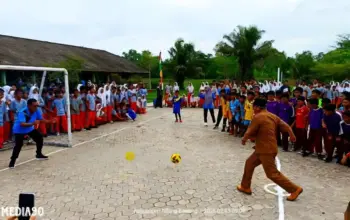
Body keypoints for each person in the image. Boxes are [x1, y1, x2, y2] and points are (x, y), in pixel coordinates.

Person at [237, 98, 302, 201]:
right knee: (249, 163)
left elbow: (249, 131)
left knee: (272, 174)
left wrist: (244, 139)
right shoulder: (272, 116)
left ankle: (294, 189)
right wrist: (292, 134)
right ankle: (245, 186)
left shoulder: (258, 117)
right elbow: (286, 126)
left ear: (257, 107)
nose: (253, 108)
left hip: (265, 150)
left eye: (254, 106)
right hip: (263, 148)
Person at [9, 99, 55, 168]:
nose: (36, 107)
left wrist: (50, 121)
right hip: (19, 130)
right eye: (34, 106)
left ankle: (38, 154)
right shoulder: (23, 112)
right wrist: (33, 123)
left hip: (30, 128)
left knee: (39, 138)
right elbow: (22, 124)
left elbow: (41, 119)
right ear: (29, 106)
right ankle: (12, 161)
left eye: (37, 105)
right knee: (18, 145)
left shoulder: (36, 110)